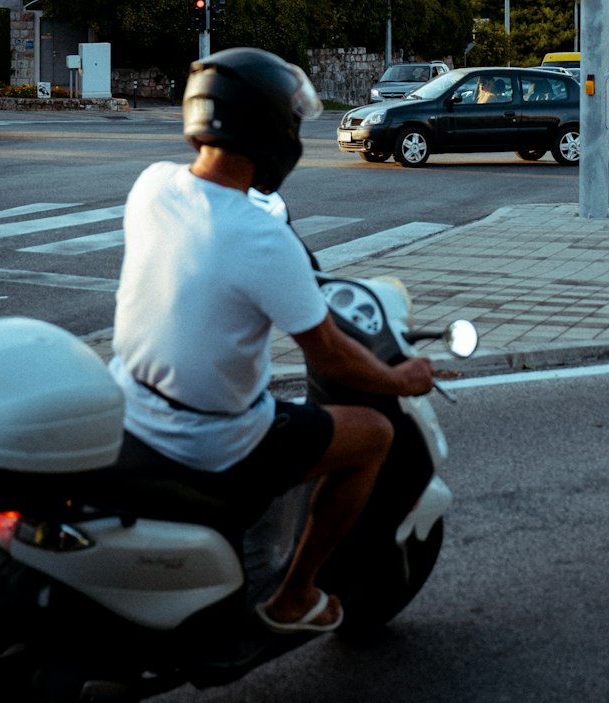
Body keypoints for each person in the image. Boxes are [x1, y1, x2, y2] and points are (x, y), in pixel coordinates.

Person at [108, 47, 434, 637]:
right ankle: (295, 593)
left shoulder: (151, 186)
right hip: (211, 439)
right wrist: (400, 379)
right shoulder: (261, 235)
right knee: (375, 434)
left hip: (129, 409)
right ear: (268, 129)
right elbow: (329, 353)